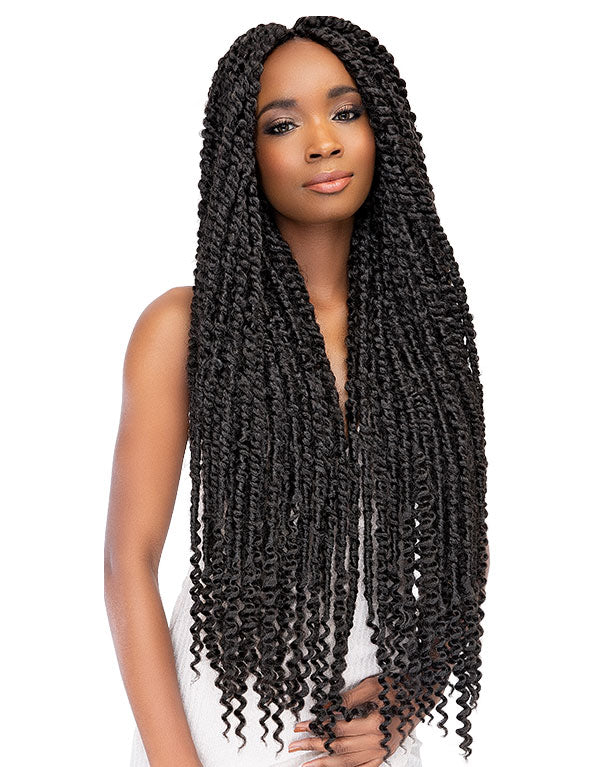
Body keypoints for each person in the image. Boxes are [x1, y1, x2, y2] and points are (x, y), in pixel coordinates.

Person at [104, 16, 490, 767]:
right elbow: (128, 560)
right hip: (221, 721)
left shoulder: (423, 326)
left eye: (345, 112)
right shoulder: (183, 330)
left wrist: (408, 697)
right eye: (282, 124)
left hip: (365, 732)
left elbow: (463, 541)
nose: (322, 141)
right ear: (243, 153)